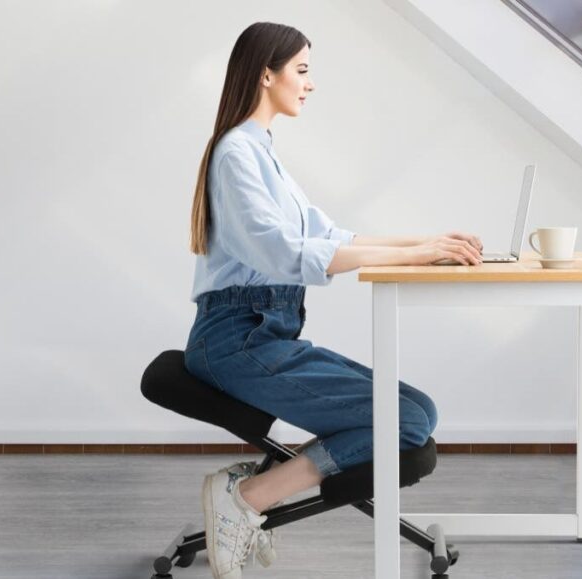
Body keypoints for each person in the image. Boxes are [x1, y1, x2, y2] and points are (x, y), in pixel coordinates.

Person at [184, 21, 484, 579]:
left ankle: (246, 492)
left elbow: (333, 237)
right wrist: (417, 255)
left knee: (419, 412)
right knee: (406, 420)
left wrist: (428, 244)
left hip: (261, 333)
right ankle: (249, 497)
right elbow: (283, 253)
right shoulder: (236, 154)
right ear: (266, 73)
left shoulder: (259, 151)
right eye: (301, 70)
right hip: (237, 340)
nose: (310, 84)